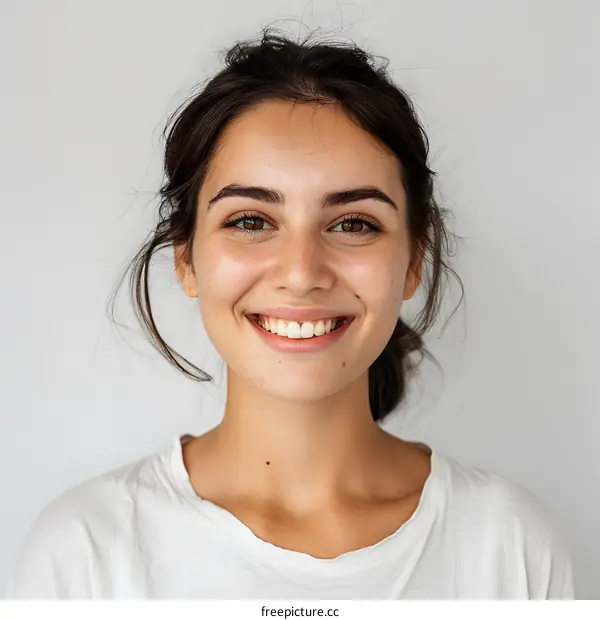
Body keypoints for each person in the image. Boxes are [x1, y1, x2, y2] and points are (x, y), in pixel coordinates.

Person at [6, 28, 574, 600]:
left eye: (353, 223)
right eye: (251, 221)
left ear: (412, 261)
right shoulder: (83, 555)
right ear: (186, 257)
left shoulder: (511, 547)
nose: (302, 272)